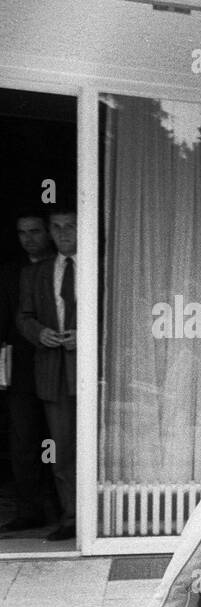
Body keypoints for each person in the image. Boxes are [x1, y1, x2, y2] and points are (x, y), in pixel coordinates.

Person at [16, 207, 77, 542]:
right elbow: (23, 316)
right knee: (63, 449)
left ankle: (103, 515)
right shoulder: (36, 273)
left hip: (90, 370)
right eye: (56, 227)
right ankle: (72, 517)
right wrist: (39, 333)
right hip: (53, 372)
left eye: (70, 226)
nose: (63, 233)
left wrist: (86, 335)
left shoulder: (98, 267)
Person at [0, 211, 55, 534]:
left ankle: (66, 511)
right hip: (21, 370)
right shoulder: (9, 273)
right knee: (23, 444)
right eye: (22, 233)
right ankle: (29, 510)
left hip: (57, 366)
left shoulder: (66, 266)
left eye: (35, 231)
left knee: (62, 441)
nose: (28, 238)